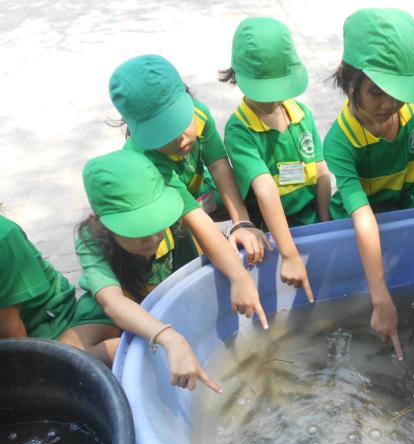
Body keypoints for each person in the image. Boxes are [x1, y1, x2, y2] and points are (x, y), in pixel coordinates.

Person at [76, 150, 267, 391]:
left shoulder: (175, 211)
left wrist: (240, 277)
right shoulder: (91, 239)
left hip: (170, 289)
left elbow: (208, 238)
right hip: (126, 300)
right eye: (136, 230)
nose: (152, 239)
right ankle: (139, 356)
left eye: (156, 224)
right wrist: (169, 338)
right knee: (73, 352)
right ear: (98, 221)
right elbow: (113, 303)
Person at [324, 8, 414, 360]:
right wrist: (379, 299)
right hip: (358, 219)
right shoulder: (340, 142)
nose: (389, 104)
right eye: (376, 92)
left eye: (398, 92)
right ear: (349, 82)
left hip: (402, 208)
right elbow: (362, 218)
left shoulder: (413, 112)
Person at [109, 54, 270, 265]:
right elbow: (190, 211)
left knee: (248, 191)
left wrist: (241, 223)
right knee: (188, 249)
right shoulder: (144, 158)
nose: (179, 138)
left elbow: (218, 165)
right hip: (170, 212)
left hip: (199, 192)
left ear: (187, 98)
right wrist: (228, 259)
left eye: (179, 121)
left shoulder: (199, 113)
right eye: (162, 133)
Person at [220, 16, 330, 303]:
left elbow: (321, 172)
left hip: (312, 220)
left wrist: (325, 222)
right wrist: (289, 254)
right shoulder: (239, 130)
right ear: (237, 77)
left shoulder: (301, 114)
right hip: (270, 233)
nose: (272, 100)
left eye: (278, 90)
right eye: (263, 92)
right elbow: (265, 188)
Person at [0, 215, 120, 365]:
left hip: (44, 318)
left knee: (63, 363)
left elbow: (9, 331)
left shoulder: (4, 237)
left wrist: (25, 372)